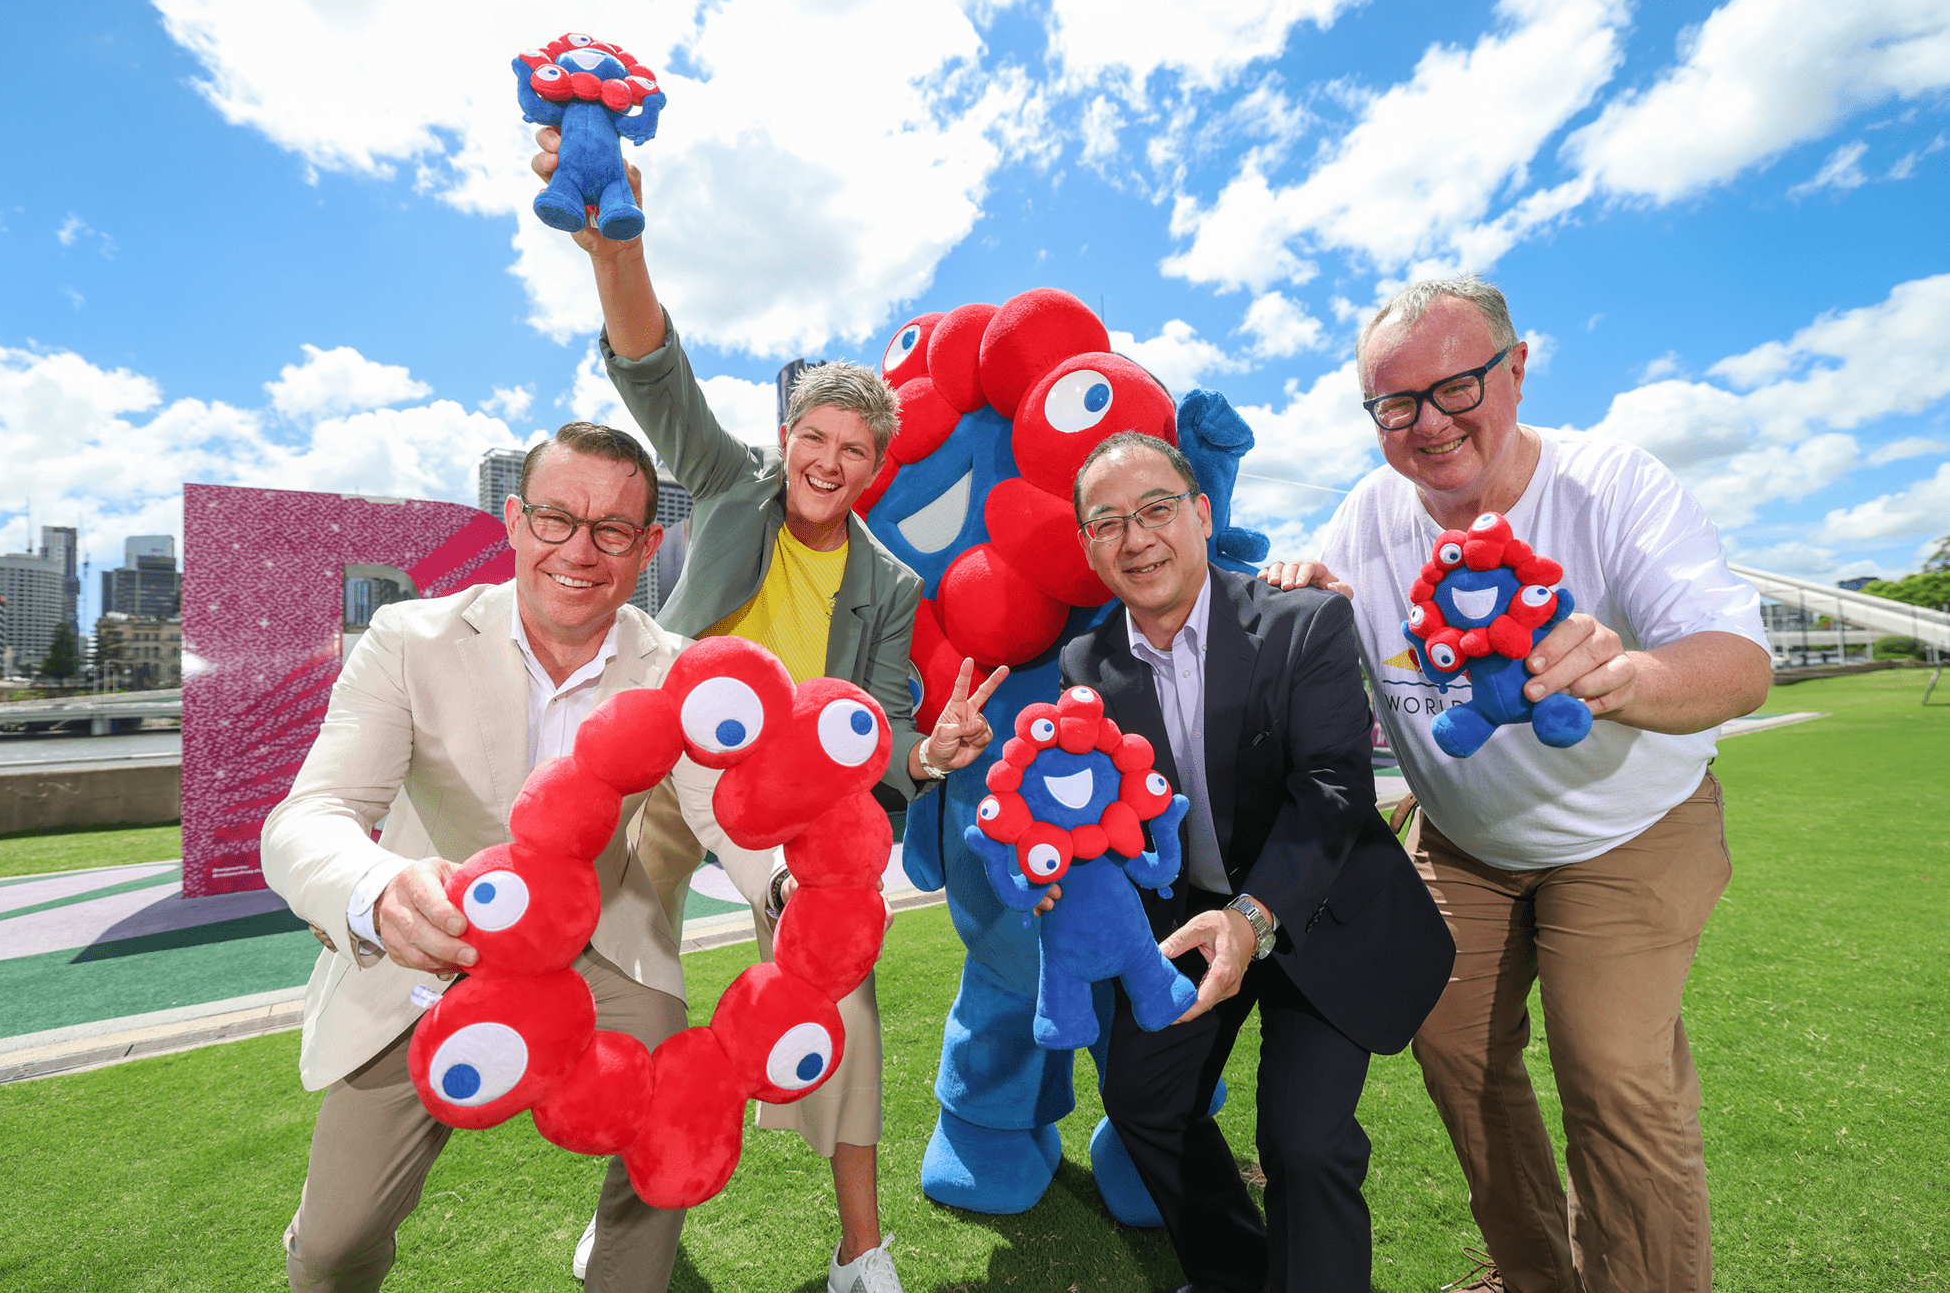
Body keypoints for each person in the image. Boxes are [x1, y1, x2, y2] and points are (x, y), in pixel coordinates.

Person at [536, 130, 1004, 1293]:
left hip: (774, 802)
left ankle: (861, 1250)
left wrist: (928, 752)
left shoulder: (890, 586)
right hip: (660, 762)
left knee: (841, 982)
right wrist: (612, 254)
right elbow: (656, 373)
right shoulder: (737, 481)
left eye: (854, 448)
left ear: (875, 465)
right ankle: (629, 1222)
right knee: (634, 992)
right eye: (813, 438)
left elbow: (886, 724)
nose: (828, 461)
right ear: (786, 438)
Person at [1271, 275, 1773, 1293]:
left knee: (1612, 1076)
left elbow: (1740, 662)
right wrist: (1295, 590)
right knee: (1452, 1052)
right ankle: (1539, 1274)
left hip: (1631, 827)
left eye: (1456, 387)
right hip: (1469, 847)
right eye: (1395, 403)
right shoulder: (1368, 515)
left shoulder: (1611, 484)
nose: (1429, 423)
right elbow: (1316, 626)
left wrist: (1625, 675)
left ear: (1516, 370)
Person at [262, 422, 778, 1293]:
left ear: (648, 545)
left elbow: (733, 813)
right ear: (512, 520)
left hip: (602, 946)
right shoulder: (405, 639)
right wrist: (380, 889)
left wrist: (790, 883)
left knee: (667, 1128)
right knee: (333, 1242)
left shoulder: (676, 671)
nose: (580, 551)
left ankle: (622, 1273)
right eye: (554, 519)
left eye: (613, 529)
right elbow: (311, 813)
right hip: (435, 938)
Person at [1054, 430, 1454, 1293]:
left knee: (1304, 1144)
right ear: (1087, 545)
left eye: (1156, 508)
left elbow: (1334, 789)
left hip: (1318, 916)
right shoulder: (1085, 664)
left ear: (1201, 513)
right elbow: (1100, 814)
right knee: (1141, 1098)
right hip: (1191, 922)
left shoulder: (1304, 620)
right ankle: (1235, 1271)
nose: (1135, 537)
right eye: (1107, 522)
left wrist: (1253, 914)